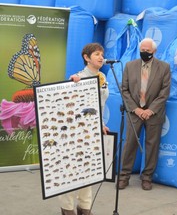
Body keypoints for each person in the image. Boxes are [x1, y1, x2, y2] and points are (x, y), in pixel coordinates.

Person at [59, 43, 109, 215]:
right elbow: (66, 106)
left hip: (93, 132)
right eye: (97, 54)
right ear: (87, 58)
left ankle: (85, 208)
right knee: (72, 171)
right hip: (75, 133)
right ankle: (67, 209)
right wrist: (73, 85)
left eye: (102, 54)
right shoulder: (77, 78)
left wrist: (101, 123)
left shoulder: (102, 77)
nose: (101, 57)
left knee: (89, 170)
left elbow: (99, 106)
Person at [118, 37, 171, 191]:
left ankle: (147, 177)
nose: (144, 52)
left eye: (147, 51)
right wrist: (136, 109)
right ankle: (124, 176)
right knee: (129, 144)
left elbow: (164, 92)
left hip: (154, 113)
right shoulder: (130, 66)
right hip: (135, 112)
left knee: (152, 145)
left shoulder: (164, 67)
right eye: (142, 50)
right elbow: (125, 90)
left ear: (154, 51)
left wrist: (150, 110)